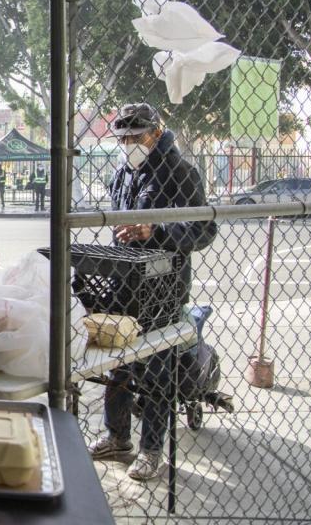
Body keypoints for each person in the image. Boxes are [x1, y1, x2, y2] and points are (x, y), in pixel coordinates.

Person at [83, 103, 217, 481]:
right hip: (124, 285)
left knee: (157, 369)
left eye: (135, 137)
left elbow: (203, 231)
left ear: (156, 133)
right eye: (122, 139)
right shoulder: (123, 173)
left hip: (162, 290)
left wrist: (155, 231)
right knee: (118, 366)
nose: (128, 145)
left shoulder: (181, 173)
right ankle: (118, 438)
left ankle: (152, 450)